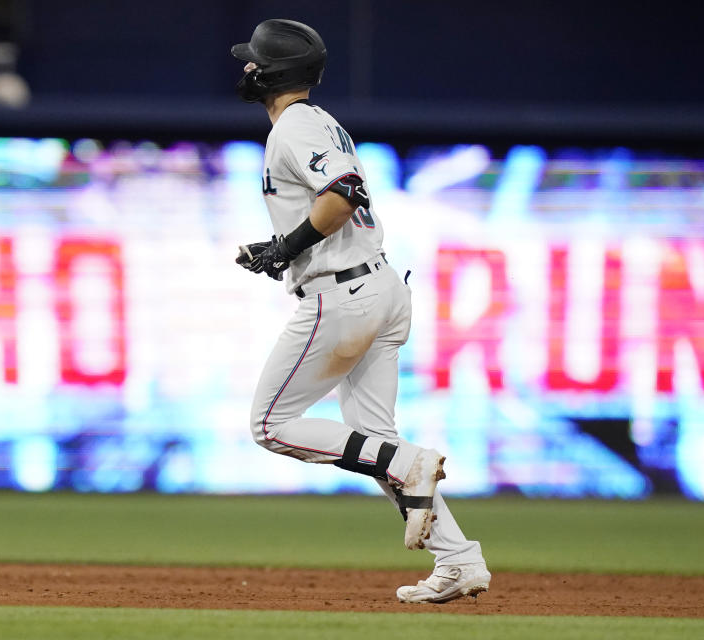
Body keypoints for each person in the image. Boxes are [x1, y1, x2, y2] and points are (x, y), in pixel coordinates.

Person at [232, 18, 490, 604]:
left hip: (342, 295)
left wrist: (286, 248)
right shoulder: (318, 122)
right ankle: (458, 559)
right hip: (377, 286)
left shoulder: (294, 125)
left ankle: (409, 462)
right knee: (374, 437)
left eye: (253, 60)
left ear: (271, 72)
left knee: (270, 425)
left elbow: (344, 194)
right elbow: (336, 197)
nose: (245, 68)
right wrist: (277, 250)